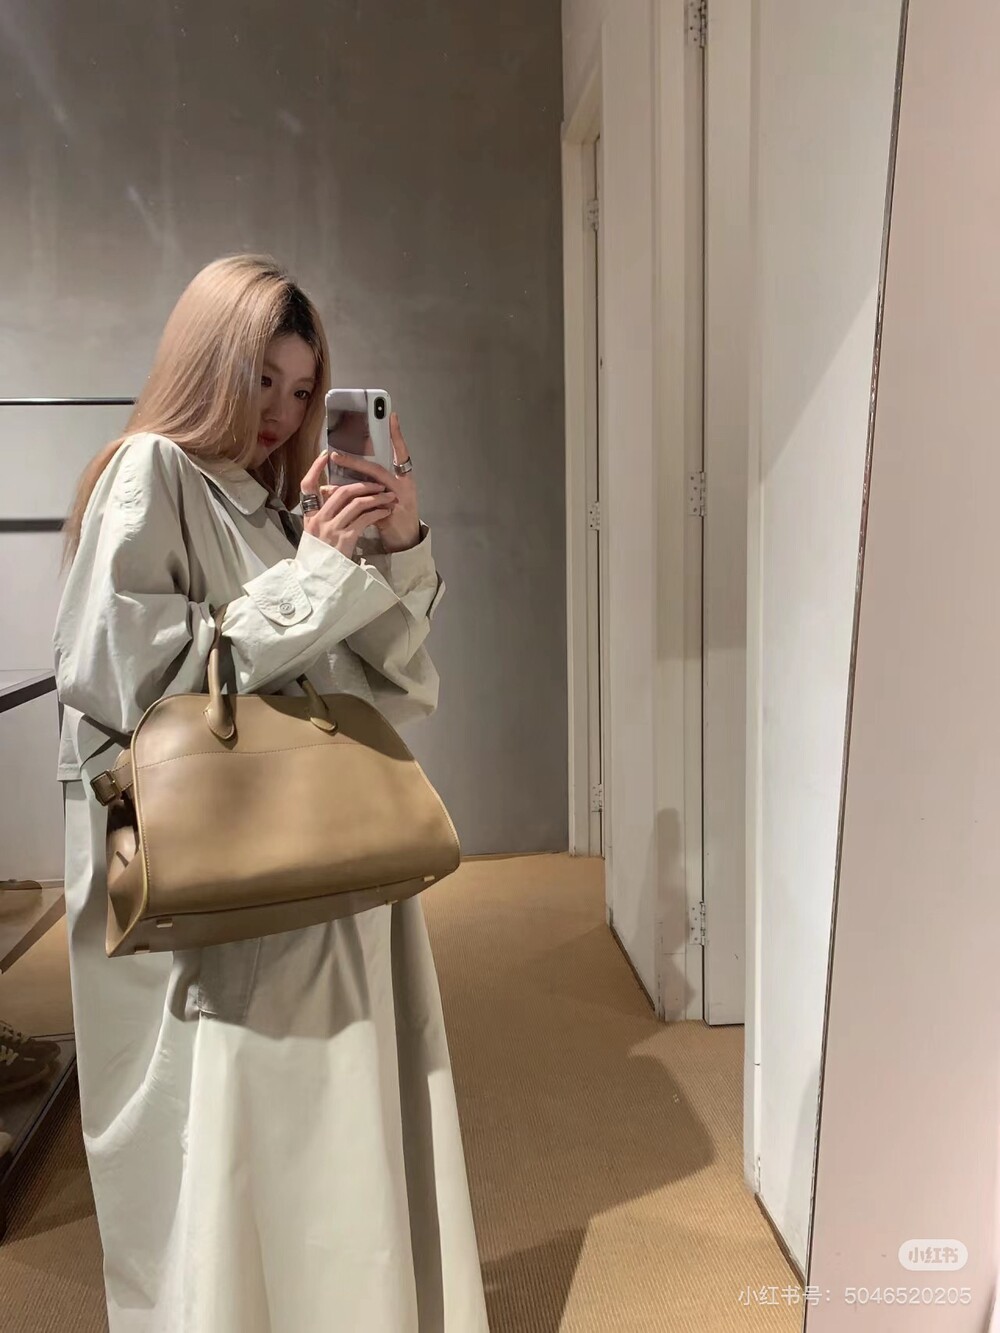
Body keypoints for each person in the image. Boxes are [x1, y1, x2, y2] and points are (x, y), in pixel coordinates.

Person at [53, 255, 489, 1333]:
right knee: (245, 1142)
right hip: (226, 879)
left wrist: (394, 546)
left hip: (315, 863)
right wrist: (311, 579)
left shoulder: (279, 508)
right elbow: (125, 679)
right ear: (207, 363)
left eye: (301, 390)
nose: (282, 414)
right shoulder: (152, 472)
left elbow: (390, 685)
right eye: (261, 380)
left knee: (327, 1140)